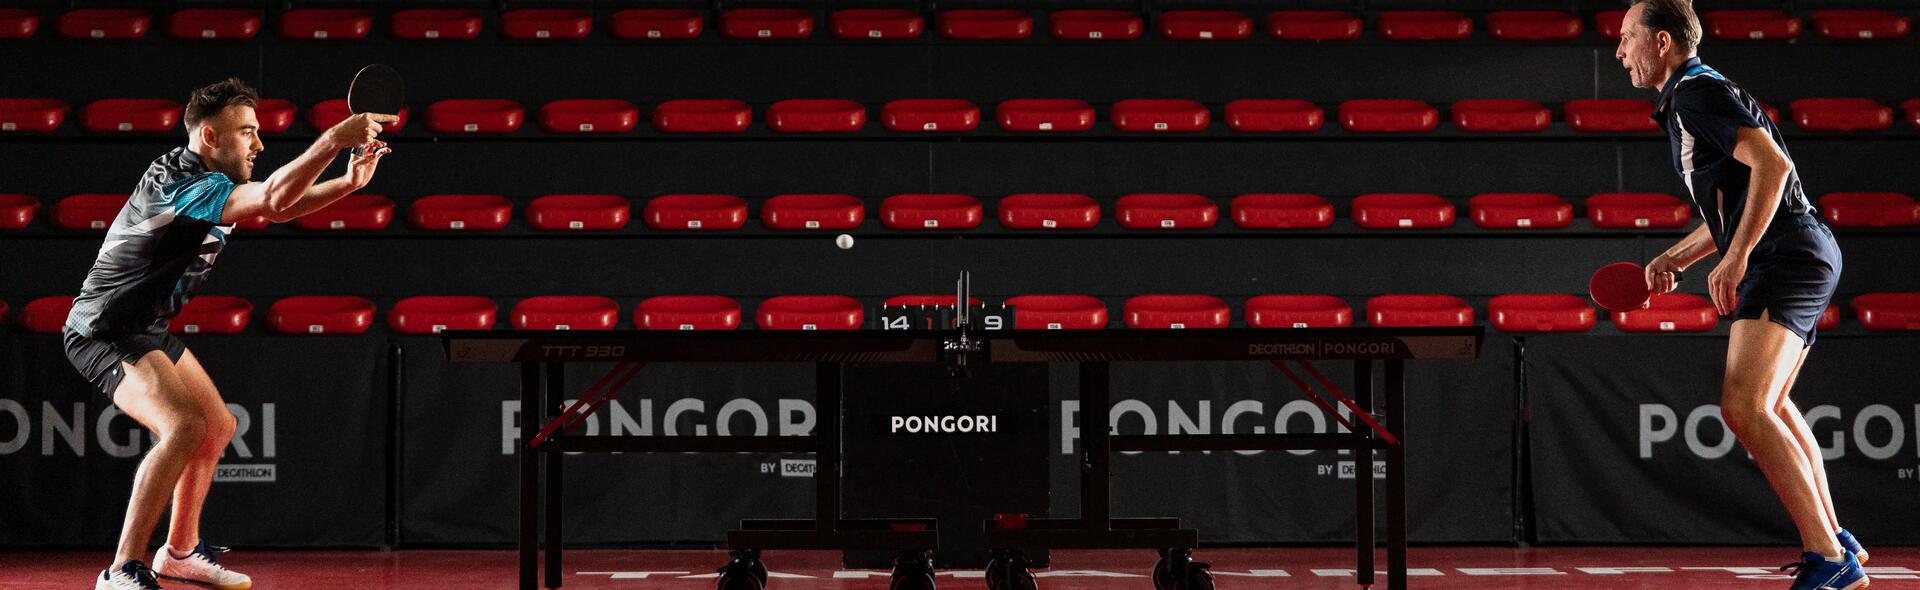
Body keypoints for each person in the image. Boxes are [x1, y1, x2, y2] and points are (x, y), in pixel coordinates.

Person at [63, 78, 397, 590]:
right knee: (184, 427)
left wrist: (348, 184)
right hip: (104, 330)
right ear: (210, 137)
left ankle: (179, 553)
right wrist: (332, 141)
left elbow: (278, 205)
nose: (258, 144)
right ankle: (120, 568)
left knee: (216, 426)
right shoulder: (181, 184)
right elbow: (271, 196)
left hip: (145, 327)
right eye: (247, 132)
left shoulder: (209, 180)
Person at [1614, 2, 1865, 588]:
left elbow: (1773, 169)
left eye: (1628, 38)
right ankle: (1833, 536)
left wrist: (1737, 256)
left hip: (1786, 255)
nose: (1620, 51)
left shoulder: (1697, 93)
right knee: (1769, 404)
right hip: (1798, 249)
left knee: (1743, 404)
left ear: (1663, 42)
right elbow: (1738, 194)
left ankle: (1829, 558)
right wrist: (1678, 256)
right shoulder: (1696, 93)